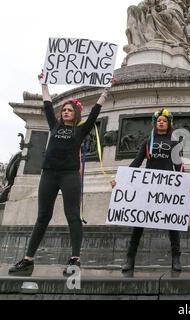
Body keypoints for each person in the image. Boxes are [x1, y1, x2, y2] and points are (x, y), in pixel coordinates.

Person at [9, 71, 113, 276]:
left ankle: (75, 259)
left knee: (73, 216)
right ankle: (28, 259)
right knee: (42, 217)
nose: (65, 112)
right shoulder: (54, 125)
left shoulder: (81, 130)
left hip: (69, 175)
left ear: (75, 114)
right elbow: (48, 105)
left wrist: (106, 90)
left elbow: (95, 113)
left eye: (69, 110)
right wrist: (44, 84)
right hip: (48, 174)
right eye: (64, 110)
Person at [113, 108, 190, 273]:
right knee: (138, 224)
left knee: (173, 224)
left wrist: (187, 186)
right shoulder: (147, 142)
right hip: (148, 187)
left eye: (164, 120)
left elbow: (179, 166)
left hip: (168, 187)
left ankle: (176, 258)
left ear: (169, 123)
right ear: (155, 124)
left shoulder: (175, 143)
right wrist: (120, 179)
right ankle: (130, 258)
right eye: (159, 121)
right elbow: (137, 162)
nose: (161, 122)